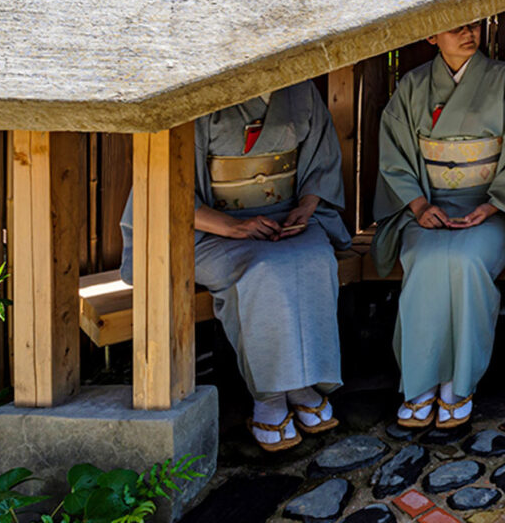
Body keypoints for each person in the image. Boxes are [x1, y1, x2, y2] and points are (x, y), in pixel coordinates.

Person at [118, 82, 352, 452]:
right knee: (262, 270)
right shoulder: (198, 94)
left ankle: (301, 383)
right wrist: (231, 227)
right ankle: (271, 396)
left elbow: (321, 162)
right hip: (206, 229)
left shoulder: (301, 90)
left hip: (284, 218)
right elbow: (165, 186)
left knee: (315, 259)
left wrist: (306, 208)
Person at [372, 22, 505, 430]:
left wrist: (493, 205)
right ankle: (420, 381)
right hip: (428, 206)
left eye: (474, 24)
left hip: (490, 209)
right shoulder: (412, 85)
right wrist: (419, 205)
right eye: (455, 27)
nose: (468, 33)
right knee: (425, 260)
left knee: (465, 260)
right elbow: (395, 154)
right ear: (431, 35)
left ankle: (459, 382)